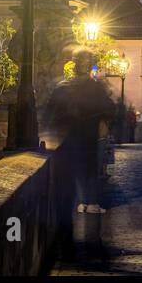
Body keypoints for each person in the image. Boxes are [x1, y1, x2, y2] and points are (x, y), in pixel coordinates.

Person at [45, 49, 116, 258]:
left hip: (64, 149)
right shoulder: (96, 89)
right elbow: (112, 111)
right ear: (89, 65)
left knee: (64, 197)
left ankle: (66, 244)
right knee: (92, 196)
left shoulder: (62, 88)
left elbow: (49, 118)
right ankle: (93, 243)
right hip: (87, 148)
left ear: (74, 65)